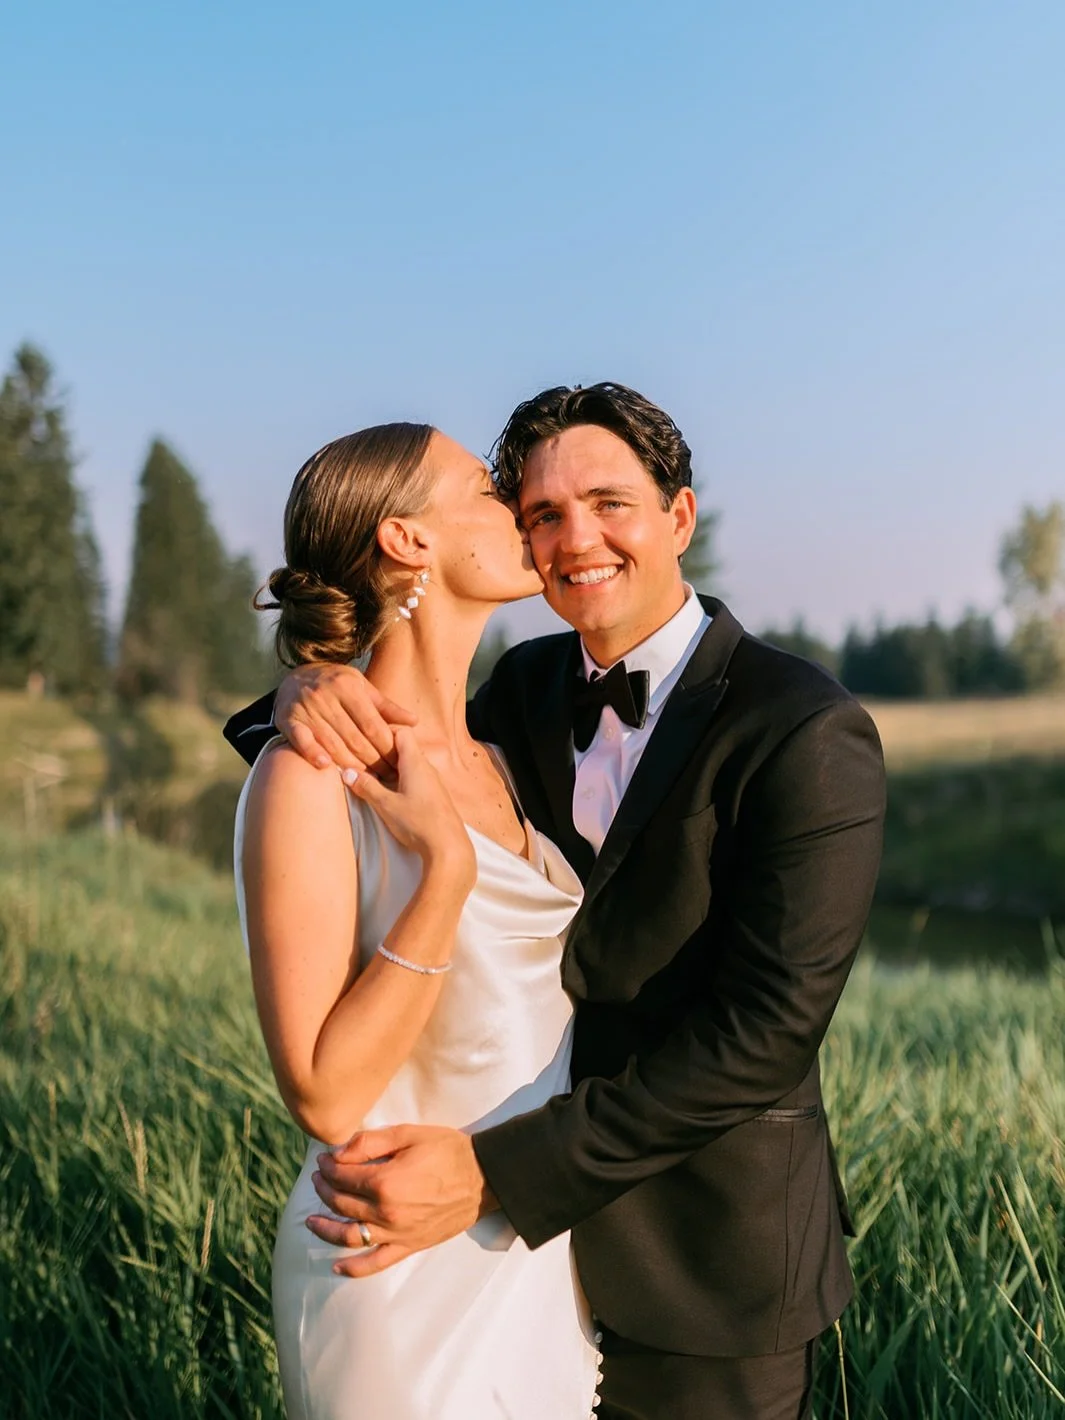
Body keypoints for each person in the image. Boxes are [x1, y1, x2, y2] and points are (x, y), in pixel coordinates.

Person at [227, 383, 887, 1420]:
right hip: (459, 1254)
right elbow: (362, 757)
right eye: (531, 508)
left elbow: (764, 1034)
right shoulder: (522, 699)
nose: (570, 537)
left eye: (610, 503)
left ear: (679, 517)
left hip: (704, 1269)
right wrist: (303, 690)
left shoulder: (803, 727)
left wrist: (496, 1175)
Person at [231, 422, 600, 1420]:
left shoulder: (509, 751)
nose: (521, 506)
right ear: (407, 540)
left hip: (528, 1247)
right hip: (387, 1273)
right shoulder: (310, 774)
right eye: (486, 489)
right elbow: (323, 1091)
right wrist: (442, 874)